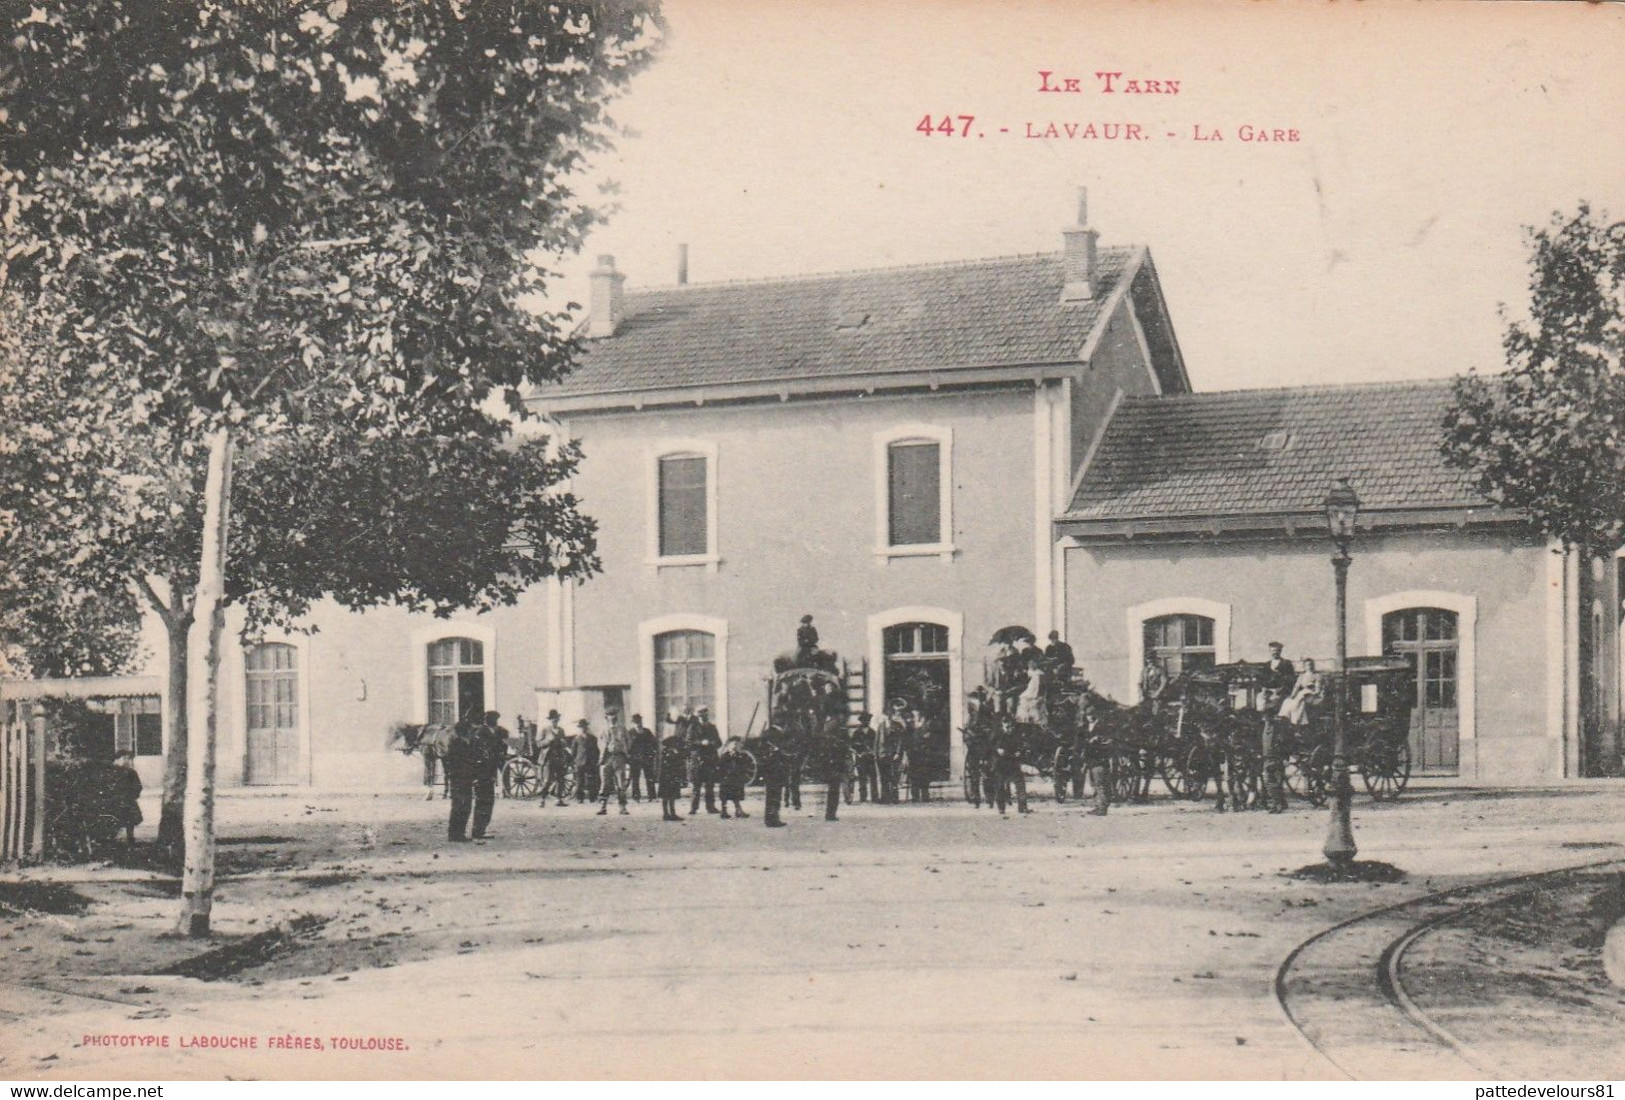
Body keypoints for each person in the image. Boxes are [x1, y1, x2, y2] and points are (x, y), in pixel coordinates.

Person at [989, 713, 1029, 816]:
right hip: (1000, 764)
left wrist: (1020, 752)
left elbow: (1023, 746)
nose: (1009, 729)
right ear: (1002, 725)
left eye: (1011, 726)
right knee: (1000, 786)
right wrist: (997, 750)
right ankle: (1001, 808)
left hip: (1013, 763)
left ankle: (1022, 806)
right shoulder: (996, 735)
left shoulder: (1016, 735)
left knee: (1020, 784)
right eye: (1007, 727)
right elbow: (989, 747)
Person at [686, 706, 721, 815]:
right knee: (696, 785)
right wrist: (700, 743)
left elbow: (719, 742)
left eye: (705, 716)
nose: (703, 718)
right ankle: (693, 808)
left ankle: (710, 807)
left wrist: (712, 743)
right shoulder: (692, 727)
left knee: (709, 785)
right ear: (698, 717)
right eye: (701, 716)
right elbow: (689, 743)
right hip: (697, 759)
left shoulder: (712, 727)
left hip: (710, 759)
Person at [598, 708, 631, 815]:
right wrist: (602, 756)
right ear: (606, 717)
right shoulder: (603, 729)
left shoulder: (622, 729)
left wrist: (624, 752)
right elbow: (600, 743)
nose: (612, 717)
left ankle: (622, 807)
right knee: (605, 783)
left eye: (613, 715)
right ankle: (603, 806)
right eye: (609, 715)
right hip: (607, 758)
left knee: (621, 783)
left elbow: (628, 741)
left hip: (619, 758)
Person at [874, 700, 907, 804]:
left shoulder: (897, 726)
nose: (887, 717)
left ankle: (894, 797)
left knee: (894, 776)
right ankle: (884, 797)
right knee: (884, 777)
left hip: (893, 755)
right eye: (885, 715)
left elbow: (900, 741)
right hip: (882, 755)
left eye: (888, 715)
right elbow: (876, 741)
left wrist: (898, 753)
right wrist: (875, 754)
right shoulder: (880, 726)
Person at [818, 718, 850, 821]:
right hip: (835, 764)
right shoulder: (835, 738)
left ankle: (830, 813)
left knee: (833, 789)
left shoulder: (827, 735)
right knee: (834, 789)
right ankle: (830, 814)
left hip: (831, 764)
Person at [536, 713, 571, 807]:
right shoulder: (544, 730)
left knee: (561, 778)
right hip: (548, 758)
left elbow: (564, 744)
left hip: (559, 757)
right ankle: (542, 799)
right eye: (553, 719)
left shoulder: (561, 730)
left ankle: (559, 800)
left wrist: (564, 743)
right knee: (547, 780)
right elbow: (538, 744)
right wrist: (547, 740)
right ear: (550, 720)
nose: (555, 721)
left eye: (556, 719)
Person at [758, 723, 789, 827]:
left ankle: (769, 818)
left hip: (768, 770)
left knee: (770, 795)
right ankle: (774, 818)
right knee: (776, 795)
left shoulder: (767, 733)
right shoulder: (777, 735)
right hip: (776, 769)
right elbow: (781, 752)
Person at [1279, 658, 1324, 726]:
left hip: (1311, 693)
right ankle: (1285, 715)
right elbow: (1296, 687)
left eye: (1311, 665)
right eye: (1308, 665)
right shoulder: (1302, 676)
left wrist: (1315, 693)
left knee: (1300, 701)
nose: (1310, 666)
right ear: (1304, 666)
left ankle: (1296, 721)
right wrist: (1292, 695)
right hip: (1302, 692)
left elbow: (1318, 687)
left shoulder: (1317, 676)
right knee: (1288, 701)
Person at [717, 737, 752, 819]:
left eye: (736, 744)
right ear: (728, 746)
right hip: (726, 779)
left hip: (736, 778)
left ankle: (738, 810)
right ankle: (724, 811)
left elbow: (744, 765)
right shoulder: (725, 756)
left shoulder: (740, 756)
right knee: (724, 796)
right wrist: (723, 776)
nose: (735, 746)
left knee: (736, 795)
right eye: (733, 744)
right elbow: (720, 767)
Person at [627, 713, 659, 802]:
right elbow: (627, 746)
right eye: (636, 722)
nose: (638, 723)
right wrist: (629, 756)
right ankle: (636, 797)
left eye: (639, 721)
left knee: (649, 777)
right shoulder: (630, 733)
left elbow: (654, 743)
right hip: (635, 759)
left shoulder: (647, 732)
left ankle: (652, 796)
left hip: (646, 758)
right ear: (633, 723)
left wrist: (652, 754)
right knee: (635, 778)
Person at [658, 726, 687, 822]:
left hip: (672, 776)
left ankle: (671, 813)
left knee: (671, 796)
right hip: (667, 776)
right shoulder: (667, 753)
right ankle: (666, 813)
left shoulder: (675, 753)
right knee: (666, 796)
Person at [904, 707, 932, 803]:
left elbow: (929, 739)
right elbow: (906, 741)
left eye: (915, 715)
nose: (913, 718)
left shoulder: (924, 727)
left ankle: (925, 795)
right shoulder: (909, 728)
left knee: (924, 775)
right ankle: (915, 796)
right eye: (913, 716)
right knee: (913, 775)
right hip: (913, 754)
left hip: (923, 754)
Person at [573, 719, 600, 802]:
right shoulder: (576, 739)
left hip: (590, 762)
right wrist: (576, 761)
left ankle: (593, 797)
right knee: (579, 781)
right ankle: (580, 798)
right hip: (580, 762)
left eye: (584, 727)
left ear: (586, 727)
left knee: (591, 780)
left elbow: (596, 750)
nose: (583, 729)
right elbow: (573, 751)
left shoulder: (593, 738)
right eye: (581, 727)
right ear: (579, 728)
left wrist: (595, 760)